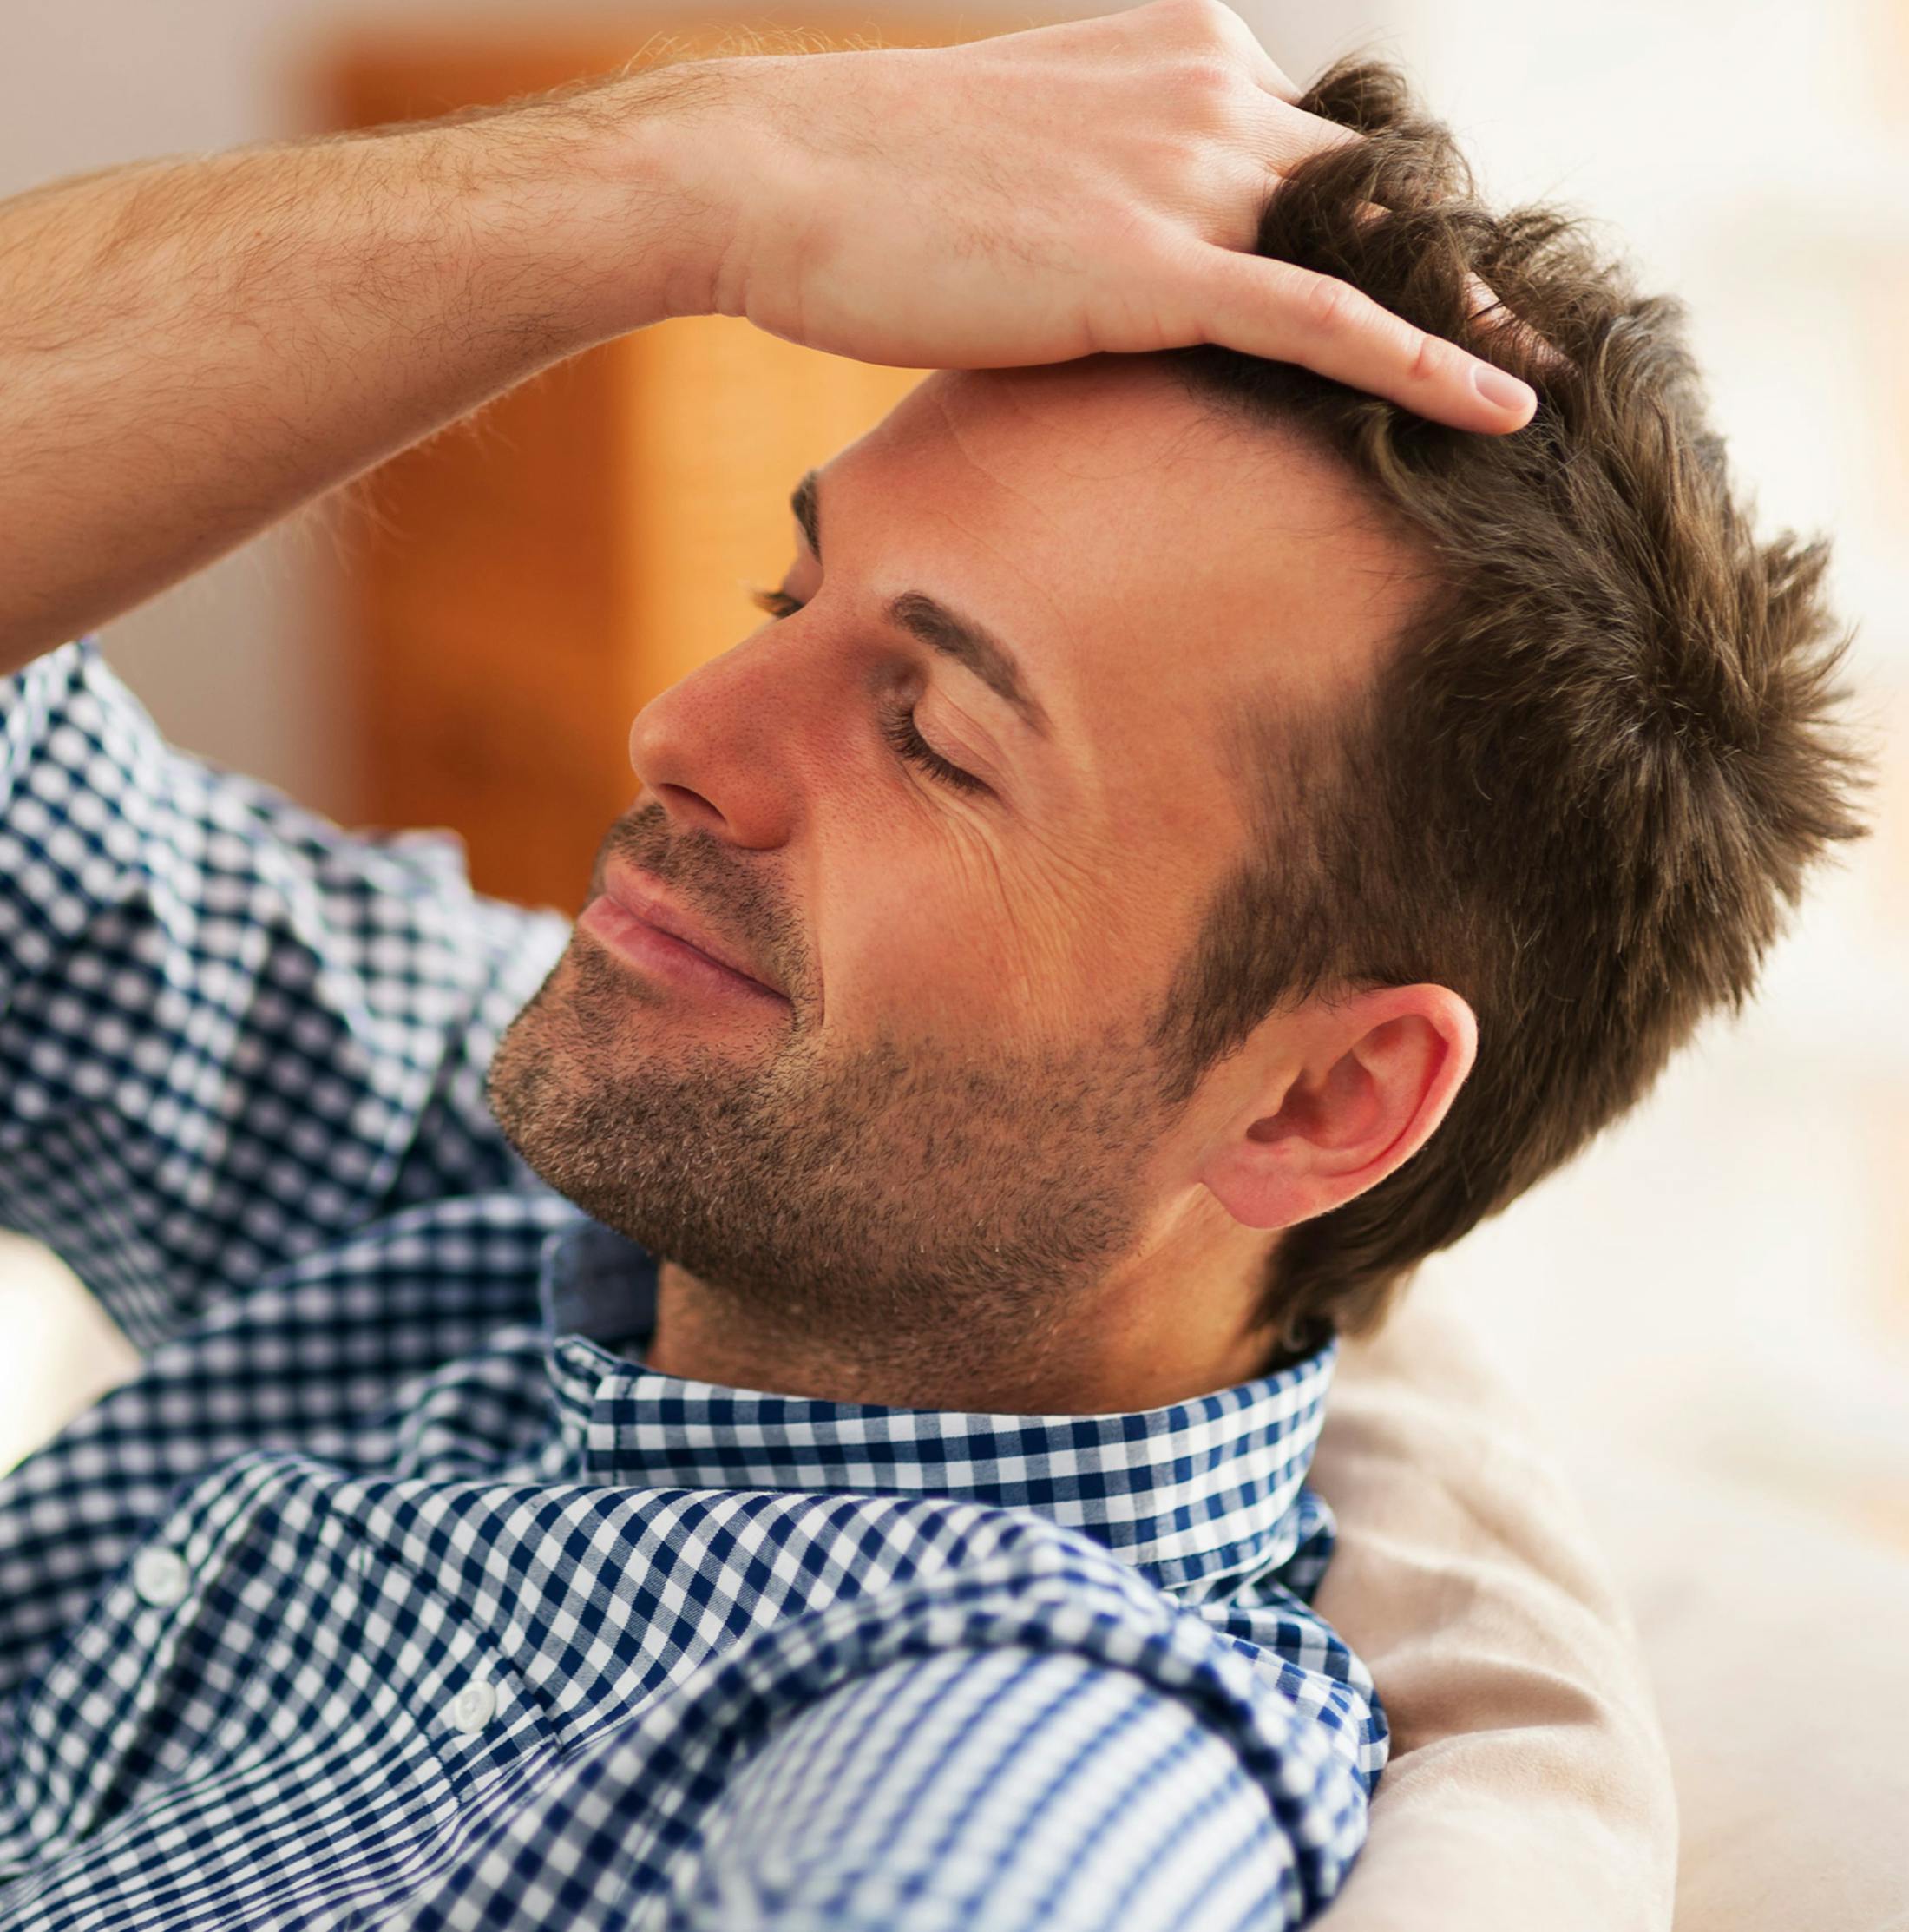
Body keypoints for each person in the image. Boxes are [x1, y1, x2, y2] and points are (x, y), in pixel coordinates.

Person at [0, 3, 1860, 1927]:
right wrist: (678, 180)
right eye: (786, 595)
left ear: (1319, 1098)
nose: (682, 729)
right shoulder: (558, 1187)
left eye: (935, 739)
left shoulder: (1013, 1767)